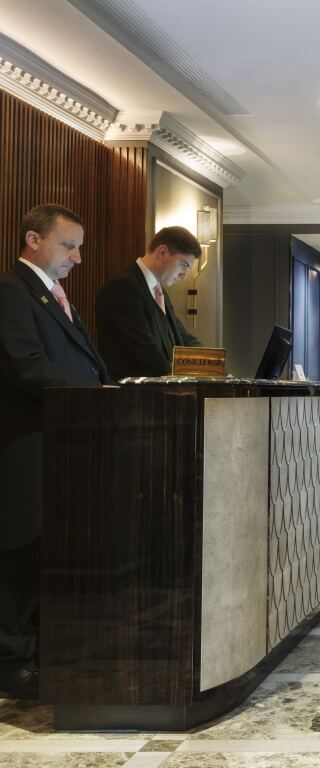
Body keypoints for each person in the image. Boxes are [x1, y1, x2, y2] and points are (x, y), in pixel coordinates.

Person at [0, 204, 110, 700]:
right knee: (21, 555)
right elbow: (26, 365)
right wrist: (98, 393)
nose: (78, 257)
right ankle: (11, 662)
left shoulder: (54, 295)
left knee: (47, 552)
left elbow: (87, 363)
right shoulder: (11, 292)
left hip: (64, 443)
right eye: (69, 245)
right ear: (33, 240)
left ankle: (40, 653)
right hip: (27, 445)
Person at [95, 226, 204, 380]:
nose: (184, 275)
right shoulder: (123, 287)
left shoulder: (158, 290)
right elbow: (145, 351)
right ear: (162, 252)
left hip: (158, 387)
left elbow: (182, 337)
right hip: (133, 391)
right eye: (184, 265)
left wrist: (214, 366)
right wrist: (179, 380)